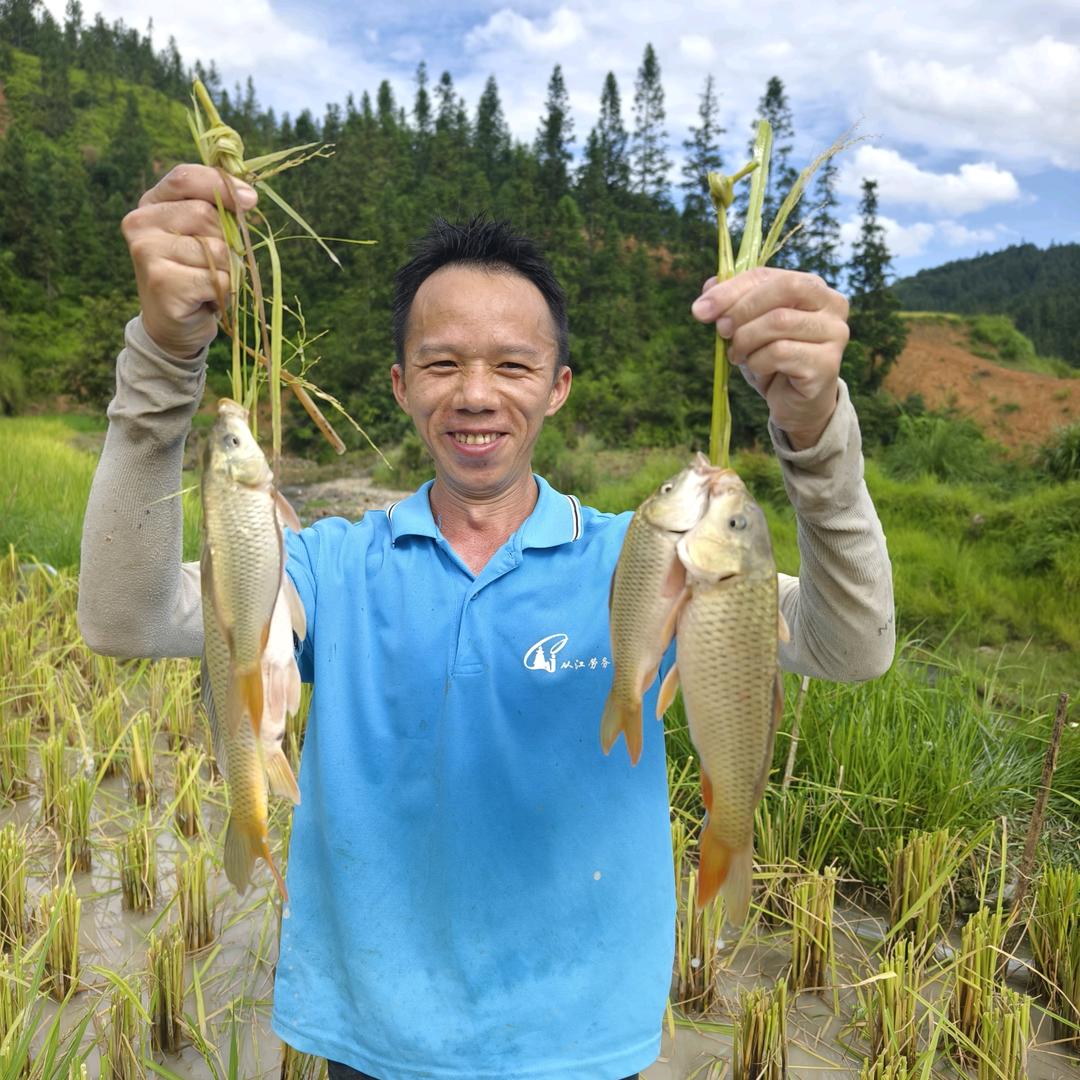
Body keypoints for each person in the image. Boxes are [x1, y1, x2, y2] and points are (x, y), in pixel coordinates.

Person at [78, 164, 894, 1080]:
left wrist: (816, 429)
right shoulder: (333, 565)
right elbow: (125, 617)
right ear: (398, 383)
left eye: (512, 365)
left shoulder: (642, 566)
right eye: (441, 363)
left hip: (581, 1046)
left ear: (558, 387)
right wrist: (161, 359)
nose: (475, 393)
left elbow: (851, 646)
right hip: (369, 1042)